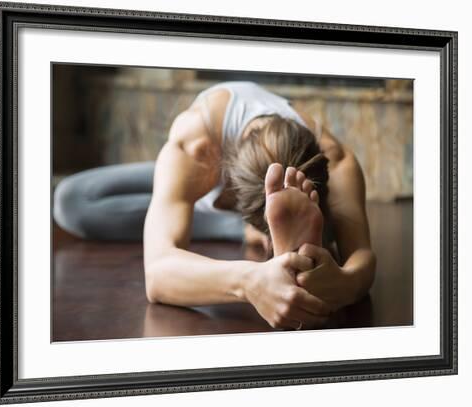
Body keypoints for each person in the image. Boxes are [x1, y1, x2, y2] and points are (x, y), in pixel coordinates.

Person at [53, 81, 376, 330]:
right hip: (203, 183)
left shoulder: (335, 159)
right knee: (71, 200)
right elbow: (158, 274)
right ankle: (245, 230)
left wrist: (346, 284)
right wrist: (249, 281)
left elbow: (362, 256)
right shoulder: (196, 146)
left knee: (334, 222)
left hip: (280, 194)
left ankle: (293, 238)